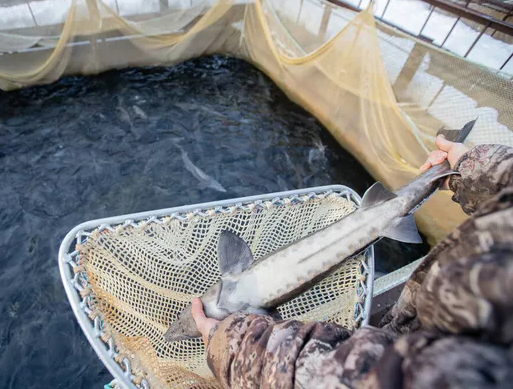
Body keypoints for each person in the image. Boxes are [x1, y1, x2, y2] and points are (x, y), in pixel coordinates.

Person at [191, 135, 513, 388]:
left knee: (383, 215)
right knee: (383, 214)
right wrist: (481, 171)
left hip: (415, 337)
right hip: (423, 315)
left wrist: (238, 347)